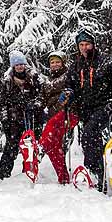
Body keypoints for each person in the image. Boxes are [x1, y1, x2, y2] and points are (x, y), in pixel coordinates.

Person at [60, 28, 112, 186]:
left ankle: (93, 171)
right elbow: (70, 84)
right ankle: (98, 176)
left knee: (89, 134)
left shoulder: (105, 61)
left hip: (103, 105)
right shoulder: (76, 64)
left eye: (87, 44)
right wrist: (68, 93)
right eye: (81, 45)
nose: (84, 48)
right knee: (90, 140)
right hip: (85, 107)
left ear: (93, 45)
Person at [0, 50, 43, 180]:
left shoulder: (33, 77)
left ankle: (29, 171)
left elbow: (40, 96)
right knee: (11, 146)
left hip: (32, 118)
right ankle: (2, 174)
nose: (20, 67)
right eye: (17, 65)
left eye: (21, 64)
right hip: (14, 119)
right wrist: (4, 119)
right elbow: (3, 102)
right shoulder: (8, 82)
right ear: (13, 66)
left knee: (31, 147)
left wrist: (35, 105)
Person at [38, 50, 73, 184]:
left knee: (48, 139)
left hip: (66, 113)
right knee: (53, 146)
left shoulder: (68, 76)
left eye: (57, 62)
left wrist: (57, 106)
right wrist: (38, 105)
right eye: (52, 62)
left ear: (63, 63)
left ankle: (39, 149)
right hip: (52, 114)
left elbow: (69, 94)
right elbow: (42, 97)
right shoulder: (47, 81)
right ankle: (63, 177)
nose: (55, 65)